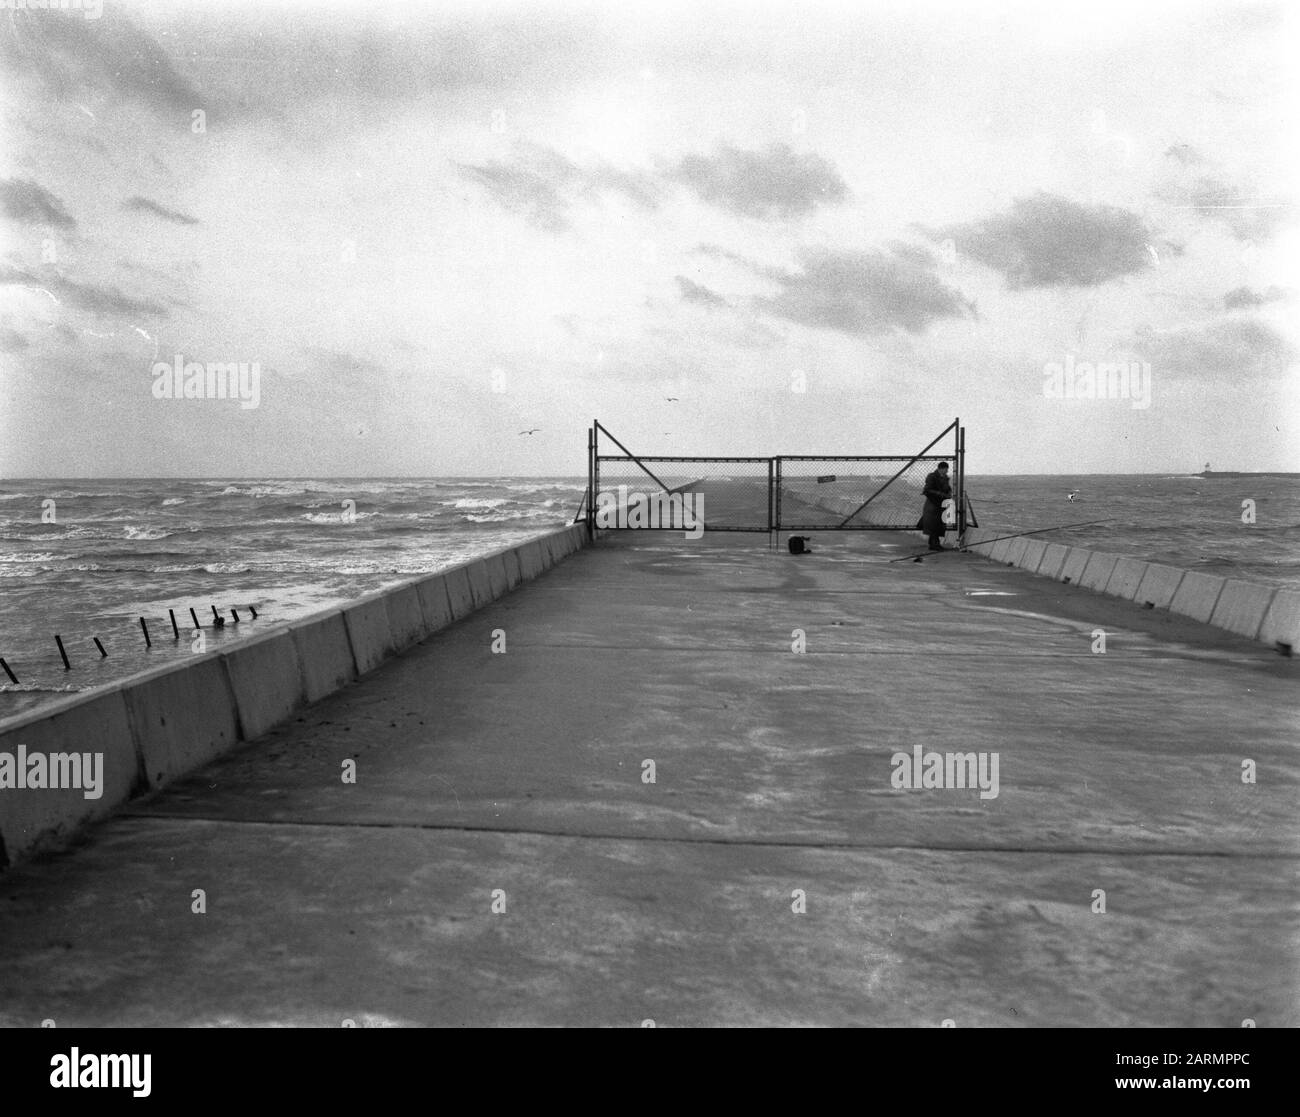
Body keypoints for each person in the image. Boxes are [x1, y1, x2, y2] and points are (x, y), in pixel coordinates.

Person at [918, 462, 952, 551]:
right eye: (946, 469)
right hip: (932, 504)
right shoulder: (932, 476)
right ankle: (935, 544)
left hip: (940, 504)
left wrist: (948, 493)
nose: (947, 470)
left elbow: (947, 488)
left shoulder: (945, 478)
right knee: (934, 525)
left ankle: (933, 544)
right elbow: (927, 490)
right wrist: (941, 494)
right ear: (941, 468)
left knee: (938, 524)